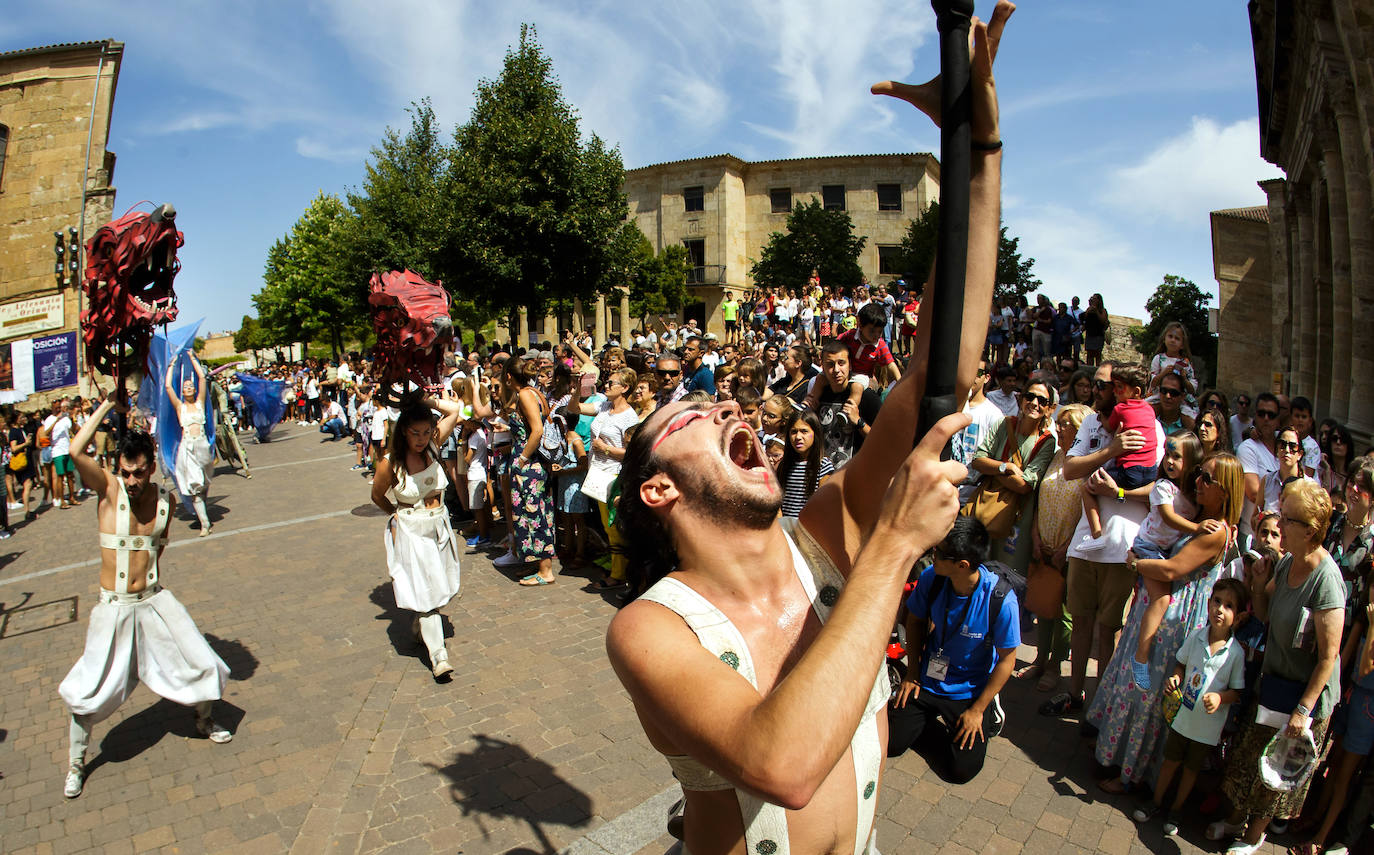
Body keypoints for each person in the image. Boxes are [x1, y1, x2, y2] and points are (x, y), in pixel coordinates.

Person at [605, 4, 1009, 847]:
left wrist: (975, 154)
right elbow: (782, 763)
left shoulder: (824, 533)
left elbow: (948, 364)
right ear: (658, 486)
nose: (725, 404)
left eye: (722, 400)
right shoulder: (649, 628)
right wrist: (895, 546)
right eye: (690, 411)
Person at [59, 388, 233, 799]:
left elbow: (162, 545)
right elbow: (74, 449)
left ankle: (203, 720)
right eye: (126, 471)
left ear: (152, 467)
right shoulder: (107, 489)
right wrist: (107, 406)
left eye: (140, 472)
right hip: (113, 608)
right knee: (90, 690)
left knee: (202, 661)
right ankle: (76, 763)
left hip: (154, 600)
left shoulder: (165, 501)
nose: (133, 480)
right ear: (117, 467)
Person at [1089, 452, 1242, 793]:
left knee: (1147, 695)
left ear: (1226, 491)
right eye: (1199, 473)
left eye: (1208, 479)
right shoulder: (1198, 516)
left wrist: (1136, 564)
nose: (1198, 481)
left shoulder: (1216, 531)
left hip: (1174, 621)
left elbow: (1173, 570)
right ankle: (1114, 753)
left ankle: (1132, 775)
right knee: (1133, 682)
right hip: (1157, 608)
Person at [1213, 479, 1345, 853]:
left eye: (1287, 520)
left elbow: (1327, 657)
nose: (1280, 526)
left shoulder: (1327, 581)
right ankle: (1237, 821)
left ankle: (1254, 838)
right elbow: (1269, 614)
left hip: (1304, 698)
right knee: (1250, 757)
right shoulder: (1288, 562)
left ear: (1310, 529)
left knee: (1277, 771)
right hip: (1275, 683)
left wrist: (1304, 710)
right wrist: (1257, 586)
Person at [1041, 360, 1165, 719]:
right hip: (1086, 541)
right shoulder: (1095, 421)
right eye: (1095, 385)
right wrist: (1112, 450)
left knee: (1108, 629)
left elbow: (1159, 488)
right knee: (1080, 620)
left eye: (1105, 385)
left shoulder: (1150, 425)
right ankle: (1075, 691)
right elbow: (1071, 469)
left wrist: (1119, 492)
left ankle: (1102, 700)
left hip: (1124, 545)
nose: (1097, 391)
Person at [889, 517, 1018, 783]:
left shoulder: (1001, 600)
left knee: (961, 772)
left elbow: (1007, 660)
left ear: (962, 565)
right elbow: (915, 620)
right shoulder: (932, 577)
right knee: (890, 743)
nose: (931, 556)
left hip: (970, 691)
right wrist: (912, 673)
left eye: (938, 553)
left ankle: (987, 713)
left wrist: (977, 710)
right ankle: (929, 724)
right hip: (927, 679)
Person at [1132, 578, 1249, 838]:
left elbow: (1237, 692)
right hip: (1182, 717)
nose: (1219, 609)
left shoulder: (1236, 654)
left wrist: (1220, 698)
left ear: (1238, 617)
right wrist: (1175, 677)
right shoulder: (1196, 636)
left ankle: (1176, 809)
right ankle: (1156, 801)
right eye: (1217, 601)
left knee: (1191, 770)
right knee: (1170, 761)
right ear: (1208, 604)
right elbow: (1181, 664)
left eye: (1228, 606)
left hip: (1207, 728)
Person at [370, 393, 464, 680]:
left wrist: (424, 402)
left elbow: (455, 410)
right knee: (427, 592)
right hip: (412, 530)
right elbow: (376, 496)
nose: (422, 438)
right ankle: (439, 656)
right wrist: (396, 513)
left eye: (426, 432)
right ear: (403, 432)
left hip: (439, 526)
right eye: (415, 433)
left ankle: (419, 625)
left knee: (441, 588)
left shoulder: (433, 447)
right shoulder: (390, 463)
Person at [1126, 431, 1212, 690]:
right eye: (1168, 455)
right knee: (1161, 599)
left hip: (1161, 550)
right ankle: (1140, 658)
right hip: (1149, 547)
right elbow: (1167, 517)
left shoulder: (1191, 497)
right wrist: (1197, 529)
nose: (1169, 462)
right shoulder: (1163, 487)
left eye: (1177, 456)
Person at [1020, 403, 1091, 692]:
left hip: (1069, 550)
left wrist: (1066, 547)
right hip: (1044, 545)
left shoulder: (1087, 463)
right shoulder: (1056, 456)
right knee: (1044, 605)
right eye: (1058, 423)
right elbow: (1040, 499)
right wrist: (1036, 537)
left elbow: (1086, 512)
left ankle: (1055, 665)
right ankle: (1039, 658)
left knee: (1064, 614)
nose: (1058, 428)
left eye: (1065, 424)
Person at [578, 367, 640, 590]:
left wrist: (604, 448)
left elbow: (632, 451)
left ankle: (618, 574)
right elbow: (574, 408)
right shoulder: (604, 406)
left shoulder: (629, 416)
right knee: (605, 524)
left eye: (612, 383)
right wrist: (578, 388)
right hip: (597, 472)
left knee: (612, 524)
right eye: (606, 382)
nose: (606, 385)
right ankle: (616, 566)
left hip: (613, 474)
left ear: (625, 388)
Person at [499, 356, 558, 586]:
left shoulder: (525, 394)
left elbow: (537, 430)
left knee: (535, 515)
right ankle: (538, 564)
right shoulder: (532, 392)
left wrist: (521, 459)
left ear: (508, 376)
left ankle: (545, 571)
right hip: (533, 465)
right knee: (536, 512)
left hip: (529, 466)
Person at [1081, 363, 1158, 541]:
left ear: (1136, 391)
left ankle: (1096, 532)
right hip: (1150, 471)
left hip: (1129, 471)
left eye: (1119, 388)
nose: (1115, 391)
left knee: (1087, 488)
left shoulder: (1120, 409)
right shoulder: (1150, 410)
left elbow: (1109, 427)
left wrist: (1104, 418)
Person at [164, 357, 215, 536]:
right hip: (188, 448)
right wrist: (171, 365)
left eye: (190, 386)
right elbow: (168, 387)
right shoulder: (180, 406)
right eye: (185, 386)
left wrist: (193, 359)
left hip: (202, 446)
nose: (188, 388)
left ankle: (202, 509)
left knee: (205, 481)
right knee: (195, 486)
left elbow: (202, 379)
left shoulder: (200, 403)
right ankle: (205, 523)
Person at [1239, 392, 1282, 548]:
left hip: (1281, 536)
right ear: (1255, 416)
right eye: (1261, 413)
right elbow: (1253, 493)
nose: (1266, 418)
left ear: (1278, 419)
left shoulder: (1285, 444)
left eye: (1271, 415)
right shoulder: (1248, 448)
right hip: (1253, 535)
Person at [778, 410, 832, 518]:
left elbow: (823, 504)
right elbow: (778, 503)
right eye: (793, 432)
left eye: (804, 431)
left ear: (815, 433)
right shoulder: (784, 465)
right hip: (785, 528)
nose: (798, 437)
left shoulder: (823, 466)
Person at [1081, 293, 1109, 367]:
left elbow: (1103, 320)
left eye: (1095, 299)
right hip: (1090, 334)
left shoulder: (1102, 310)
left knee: (1097, 355)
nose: (1093, 300)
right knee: (1089, 355)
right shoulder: (1089, 309)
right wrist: (1089, 309)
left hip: (1098, 335)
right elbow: (1083, 318)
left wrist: (1096, 311)